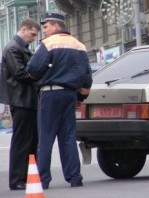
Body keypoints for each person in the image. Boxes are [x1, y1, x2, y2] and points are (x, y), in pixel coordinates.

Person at [26, 12, 92, 189]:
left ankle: (43, 180)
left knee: (46, 138)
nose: (44, 31)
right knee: (68, 137)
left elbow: (32, 68)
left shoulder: (48, 44)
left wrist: (38, 78)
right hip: (70, 95)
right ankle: (74, 178)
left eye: (46, 27)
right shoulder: (79, 45)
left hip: (50, 94)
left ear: (56, 26)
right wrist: (81, 95)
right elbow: (87, 76)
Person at [0, 18, 40, 190]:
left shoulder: (20, 48)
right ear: (23, 29)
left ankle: (26, 176)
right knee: (22, 141)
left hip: (26, 100)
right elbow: (20, 73)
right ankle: (17, 179)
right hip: (21, 100)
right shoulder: (12, 48)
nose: (33, 38)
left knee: (30, 140)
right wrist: (39, 73)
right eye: (32, 34)